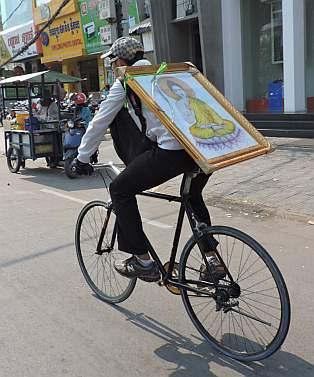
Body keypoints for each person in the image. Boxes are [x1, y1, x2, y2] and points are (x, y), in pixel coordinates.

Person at [72, 37, 225, 283]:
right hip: (203, 150)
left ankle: (143, 261)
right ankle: (212, 259)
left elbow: (100, 121)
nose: (114, 67)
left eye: (114, 62)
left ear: (121, 61)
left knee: (120, 189)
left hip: (172, 152)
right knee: (192, 197)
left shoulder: (127, 80)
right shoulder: (166, 73)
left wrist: (82, 157)